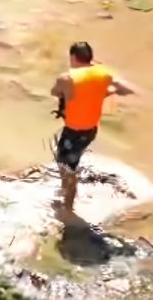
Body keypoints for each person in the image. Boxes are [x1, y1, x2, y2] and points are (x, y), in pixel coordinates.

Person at [50, 41, 134, 213]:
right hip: (90, 131)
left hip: (73, 131)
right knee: (67, 162)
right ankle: (66, 191)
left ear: (73, 57)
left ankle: (68, 207)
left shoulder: (66, 78)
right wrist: (104, 92)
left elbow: (55, 92)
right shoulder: (103, 74)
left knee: (67, 167)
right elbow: (125, 90)